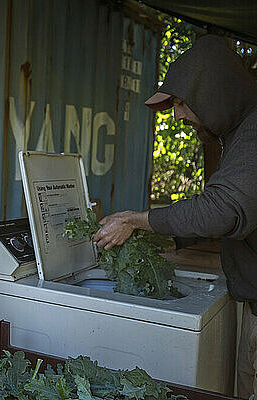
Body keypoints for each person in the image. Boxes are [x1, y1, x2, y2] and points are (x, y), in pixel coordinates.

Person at [93, 34, 257, 397]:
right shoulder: (238, 134)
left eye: (182, 103)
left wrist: (137, 220)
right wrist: (169, 237)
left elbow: (221, 210)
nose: (178, 115)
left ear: (214, 92)